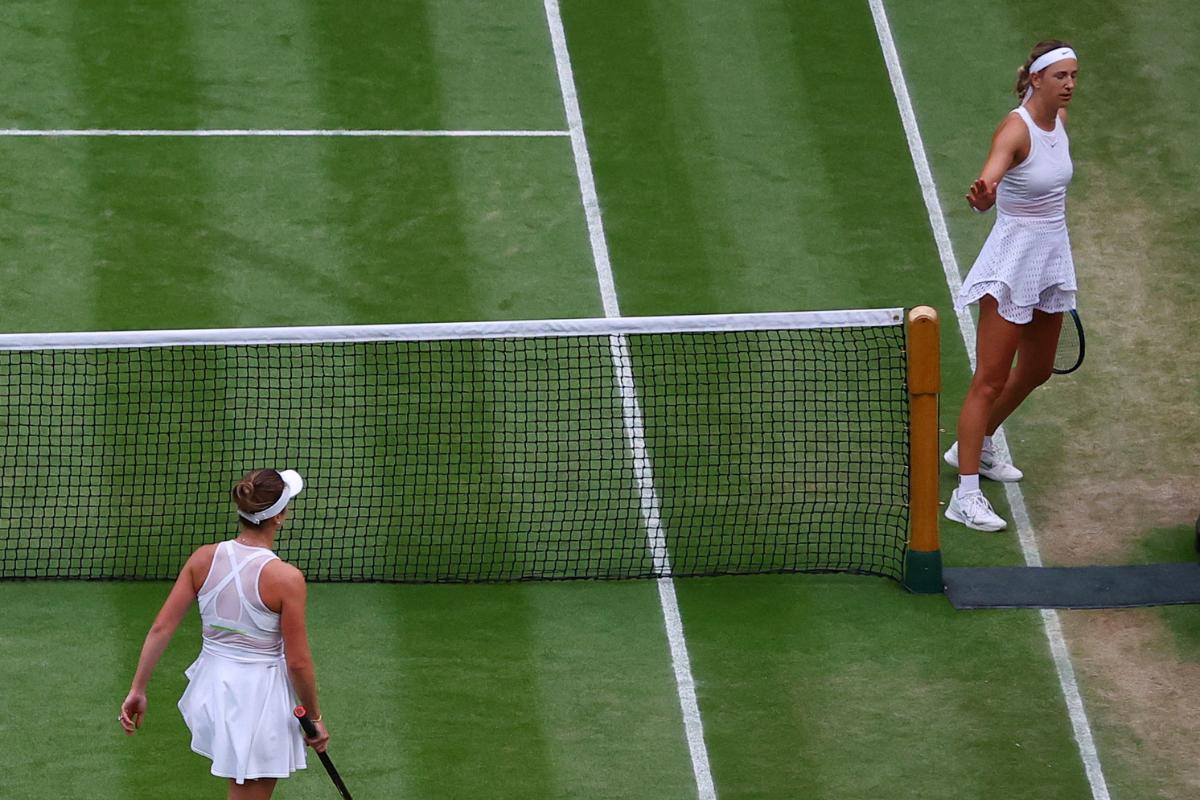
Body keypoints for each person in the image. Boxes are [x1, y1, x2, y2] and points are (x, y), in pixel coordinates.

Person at [118, 469, 330, 799]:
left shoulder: (203, 558)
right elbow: (298, 662)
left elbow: (162, 628)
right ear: (279, 517)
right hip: (256, 700)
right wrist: (314, 717)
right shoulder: (287, 579)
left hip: (213, 689)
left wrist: (138, 688)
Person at [944, 41, 1079, 532]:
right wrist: (983, 197)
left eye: (1073, 75)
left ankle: (972, 449)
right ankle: (966, 494)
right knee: (989, 379)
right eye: (1060, 75)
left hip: (1050, 256)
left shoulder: (1059, 123)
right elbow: (989, 184)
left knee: (1038, 368)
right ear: (1036, 79)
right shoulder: (1015, 129)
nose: (1069, 84)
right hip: (1012, 261)